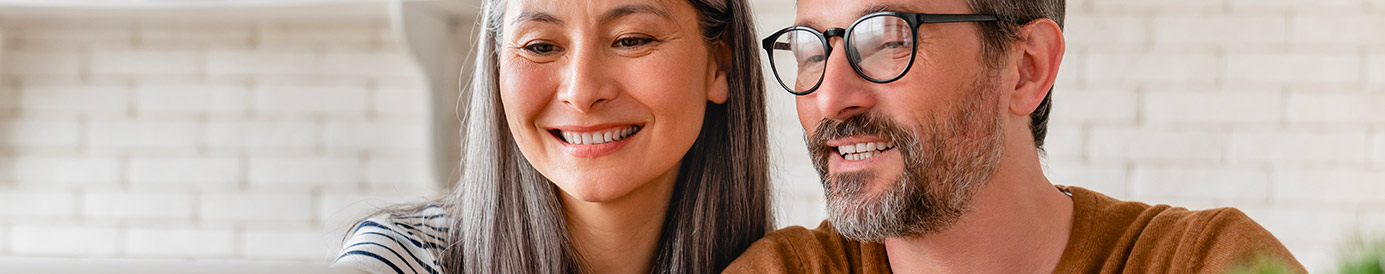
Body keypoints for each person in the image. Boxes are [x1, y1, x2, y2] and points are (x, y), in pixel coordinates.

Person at [726, 0, 1305, 273]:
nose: (829, 97)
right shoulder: (786, 271)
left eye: (888, 40)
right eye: (809, 48)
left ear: (1026, 68)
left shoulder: (1199, 261)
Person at [333, 0, 773, 273]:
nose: (581, 92)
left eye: (631, 39)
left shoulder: (786, 265)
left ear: (719, 62)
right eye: (540, 46)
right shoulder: (401, 258)